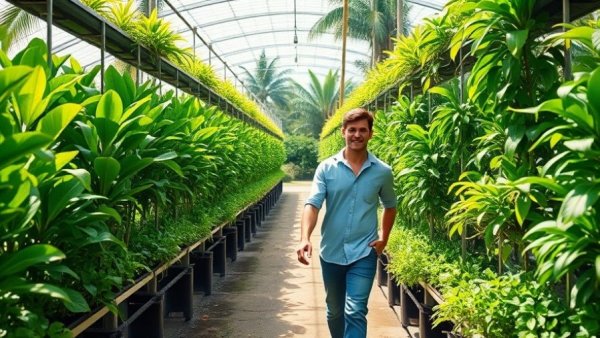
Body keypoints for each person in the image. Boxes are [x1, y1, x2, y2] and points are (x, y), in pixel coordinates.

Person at [296, 108, 397, 338]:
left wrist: (383, 237)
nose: (357, 135)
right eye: (352, 130)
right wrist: (304, 238)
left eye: (363, 130)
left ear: (371, 134)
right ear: (343, 132)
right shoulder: (326, 168)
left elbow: (390, 205)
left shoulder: (382, 172)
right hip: (330, 252)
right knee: (334, 312)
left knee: (355, 310)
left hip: (363, 252)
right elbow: (312, 204)